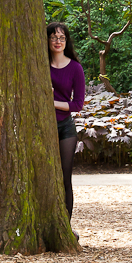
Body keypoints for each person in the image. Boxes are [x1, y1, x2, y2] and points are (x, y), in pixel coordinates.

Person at [47, 22, 86, 234]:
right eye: (53, 37)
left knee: (64, 178)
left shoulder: (75, 68)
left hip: (65, 128)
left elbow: (77, 105)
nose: (58, 41)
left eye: (62, 37)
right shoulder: (41, 64)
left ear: (66, 41)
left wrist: (50, 101)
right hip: (43, 127)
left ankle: (66, 229)